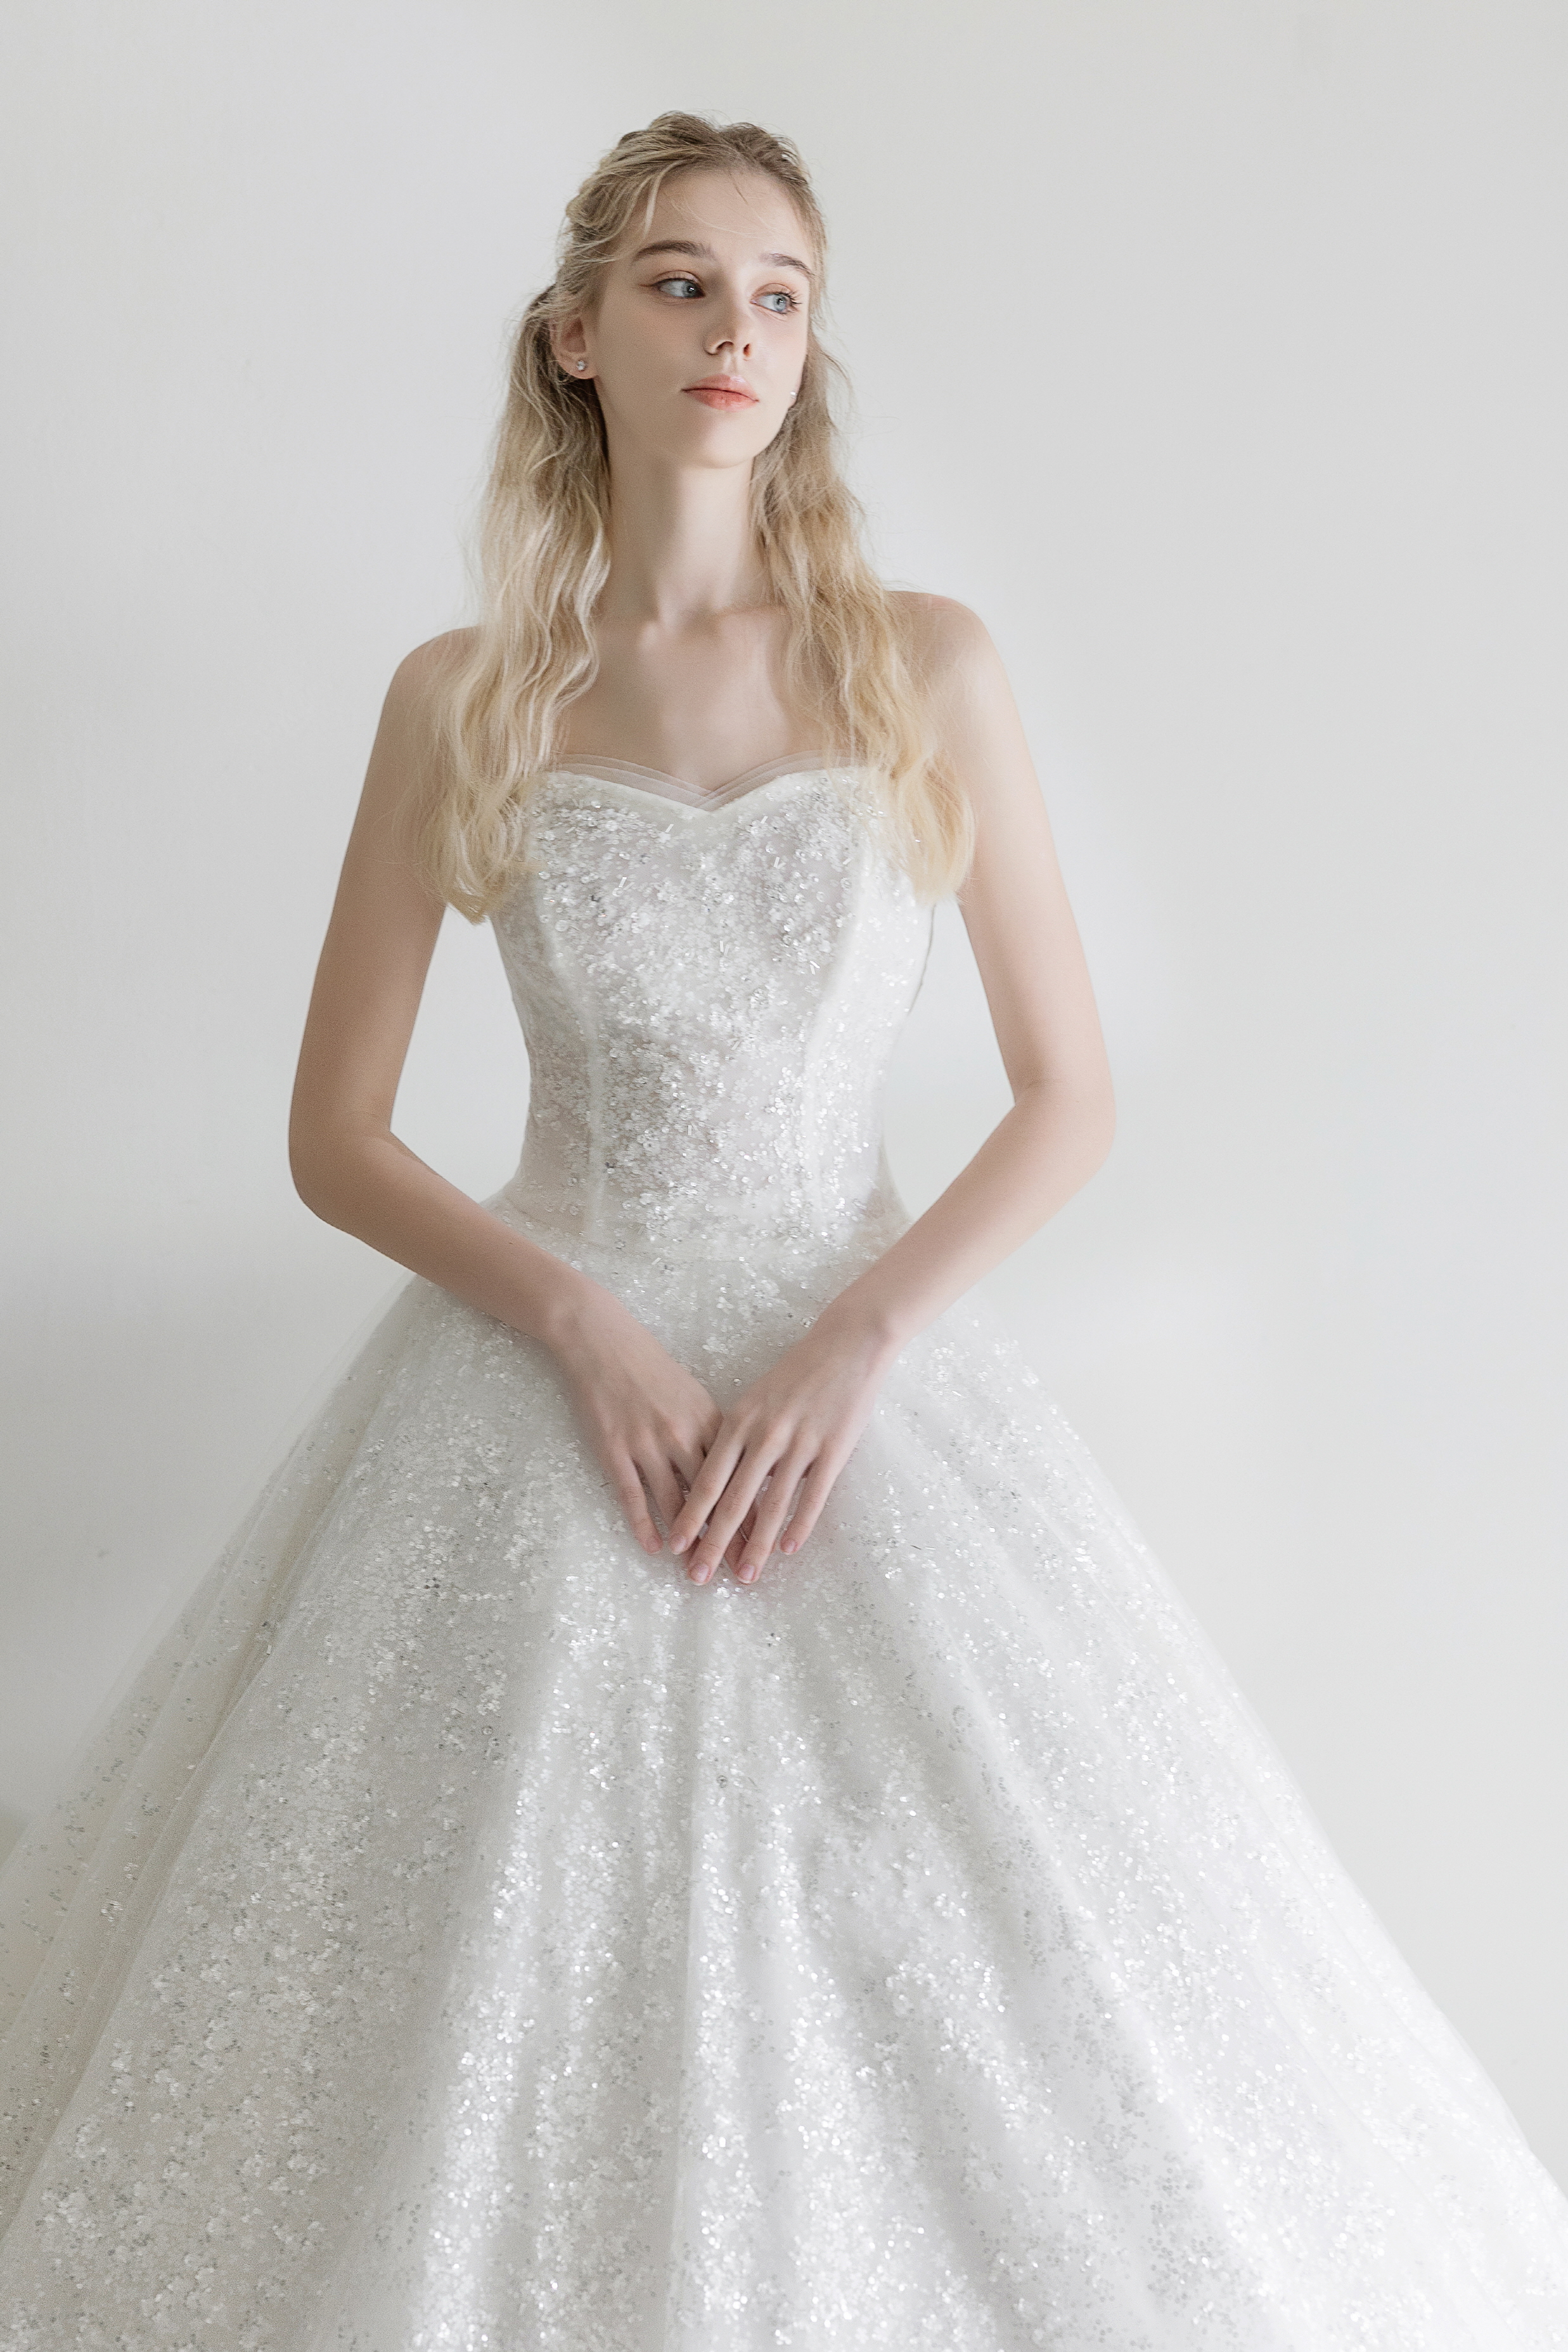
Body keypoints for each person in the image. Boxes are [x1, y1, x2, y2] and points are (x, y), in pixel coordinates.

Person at [1, 111, 1564, 2352]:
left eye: (777, 294)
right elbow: (336, 1137)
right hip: (541, 1382)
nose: (733, 331)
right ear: (573, 336)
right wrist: (575, 1320)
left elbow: (1068, 1095)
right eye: (678, 283)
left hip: (865, 1374)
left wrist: (850, 1346)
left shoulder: (928, 665)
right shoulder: (464, 696)